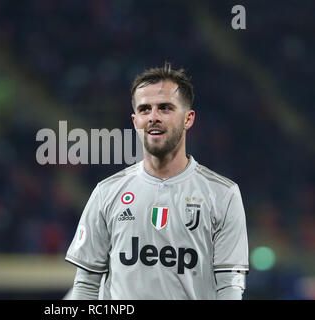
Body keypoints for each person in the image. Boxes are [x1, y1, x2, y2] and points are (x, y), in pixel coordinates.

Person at [65, 62, 249, 300]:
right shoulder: (106, 192)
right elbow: (86, 285)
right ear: (134, 121)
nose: (153, 117)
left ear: (188, 118)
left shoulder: (223, 195)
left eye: (165, 108)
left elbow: (229, 288)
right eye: (144, 110)